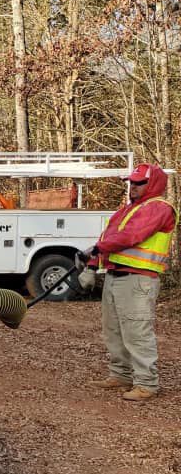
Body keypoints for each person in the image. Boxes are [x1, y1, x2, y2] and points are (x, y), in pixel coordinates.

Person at [80, 163, 177, 401]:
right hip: (115, 277)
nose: (132, 187)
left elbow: (132, 235)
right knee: (113, 330)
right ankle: (121, 374)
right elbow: (106, 238)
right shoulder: (126, 210)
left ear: (152, 184)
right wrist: (92, 266)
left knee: (137, 331)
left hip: (138, 280)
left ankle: (147, 383)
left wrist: (97, 249)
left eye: (138, 183)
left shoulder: (159, 208)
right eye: (131, 183)